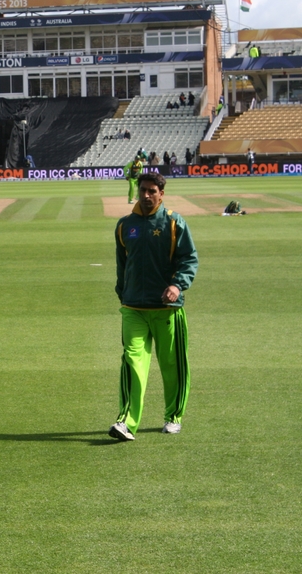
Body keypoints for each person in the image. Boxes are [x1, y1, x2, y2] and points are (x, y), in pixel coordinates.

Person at [109, 172, 198, 442]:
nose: (146, 196)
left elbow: (189, 259)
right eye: (142, 190)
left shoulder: (173, 222)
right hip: (133, 307)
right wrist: (123, 292)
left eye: (151, 191)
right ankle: (127, 423)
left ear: (161, 193)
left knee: (172, 366)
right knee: (133, 363)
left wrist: (177, 285)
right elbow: (122, 264)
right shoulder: (125, 225)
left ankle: (173, 416)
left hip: (166, 309)